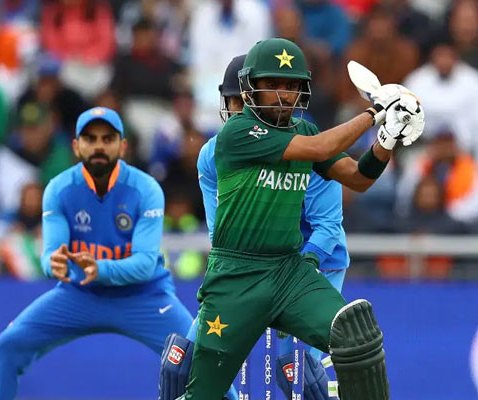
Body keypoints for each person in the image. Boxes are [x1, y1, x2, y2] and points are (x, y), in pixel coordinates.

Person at [176, 37, 424, 400]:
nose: (283, 95)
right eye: (272, 84)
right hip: (236, 277)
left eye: (291, 86)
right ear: (250, 88)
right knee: (202, 393)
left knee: (357, 337)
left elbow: (358, 177)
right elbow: (322, 148)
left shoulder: (304, 129)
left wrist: (386, 139)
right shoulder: (238, 132)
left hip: (288, 271)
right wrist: (375, 113)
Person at [0, 107, 193, 399]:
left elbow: (145, 264)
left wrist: (100, 269)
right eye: (90, 139)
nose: (98, 146)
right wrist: (52, 264)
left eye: (107, 139)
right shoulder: (59, 189)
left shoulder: (146, 189)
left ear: (123, 146)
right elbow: (51, 254)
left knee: (198, 358)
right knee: (9, 344)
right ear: (76, 146)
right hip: (80, 293)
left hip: (143, 295)